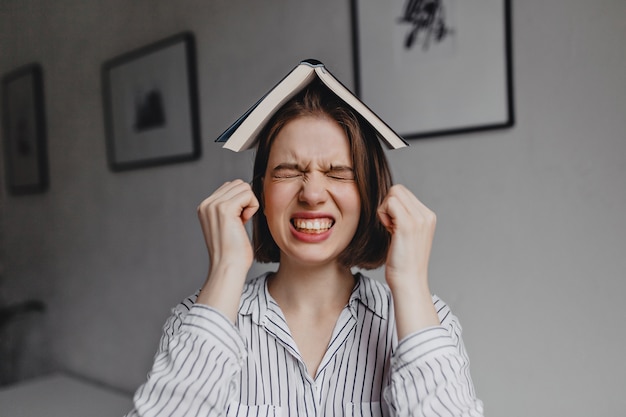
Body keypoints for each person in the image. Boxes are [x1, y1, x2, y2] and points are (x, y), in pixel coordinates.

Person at [126, 78, 484, 416]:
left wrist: (409, 282)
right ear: (261, 193)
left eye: (338, 172)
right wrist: (226, 269)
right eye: (288, 171)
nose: (311, 194)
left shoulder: (427, 319)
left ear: (369, 195)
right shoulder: (195, 320)